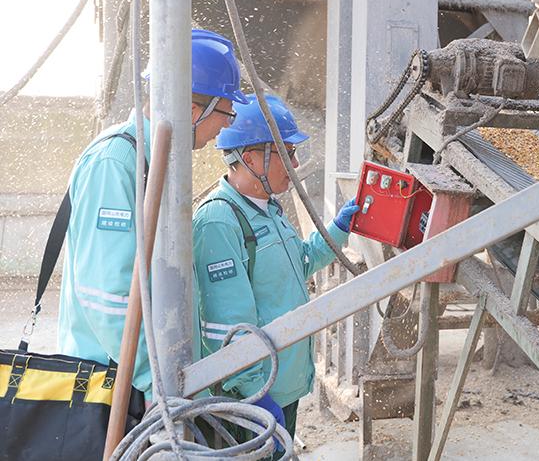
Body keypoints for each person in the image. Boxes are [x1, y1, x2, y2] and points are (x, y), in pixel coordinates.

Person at [57, 29, 249, 402]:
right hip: (113, 389)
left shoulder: (155, 161)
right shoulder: (117, 163)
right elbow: (107, 298)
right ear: (192, 111)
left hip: (143, 384)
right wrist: (159, 383)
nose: (228, 125)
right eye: (227, 112)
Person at [192, 94, 359, 440]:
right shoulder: (220, 221)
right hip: (249, 402)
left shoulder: (268, 209)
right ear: (250, 157)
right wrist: (257, 395)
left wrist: (339, 228)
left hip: (281, 389)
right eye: (285, 153)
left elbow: (302, 262)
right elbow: (227, 326)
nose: (295, 164)